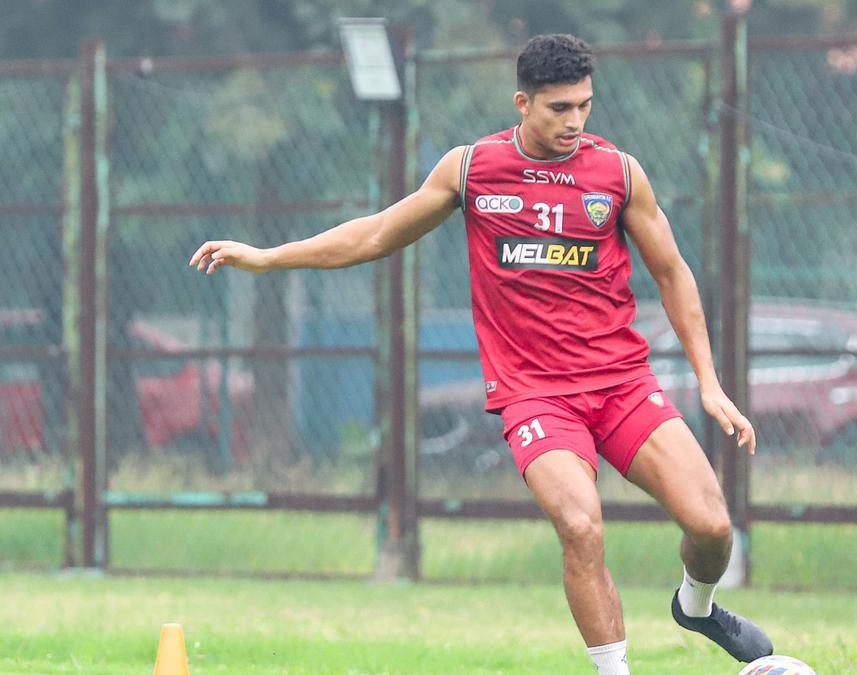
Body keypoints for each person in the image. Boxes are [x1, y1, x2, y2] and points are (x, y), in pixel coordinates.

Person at [189, 33, 772, 674]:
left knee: (711, 526)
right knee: (580, 525)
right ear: (523, 103)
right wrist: (268, 257)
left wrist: (709, 383)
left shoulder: (619, 173)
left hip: (622, 384)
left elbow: (673, 274)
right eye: (559, 108)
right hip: (536, 396)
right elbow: (377, 234)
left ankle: (696, 607)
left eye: (584, 105)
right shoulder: (471, 169)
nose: (575, 122)